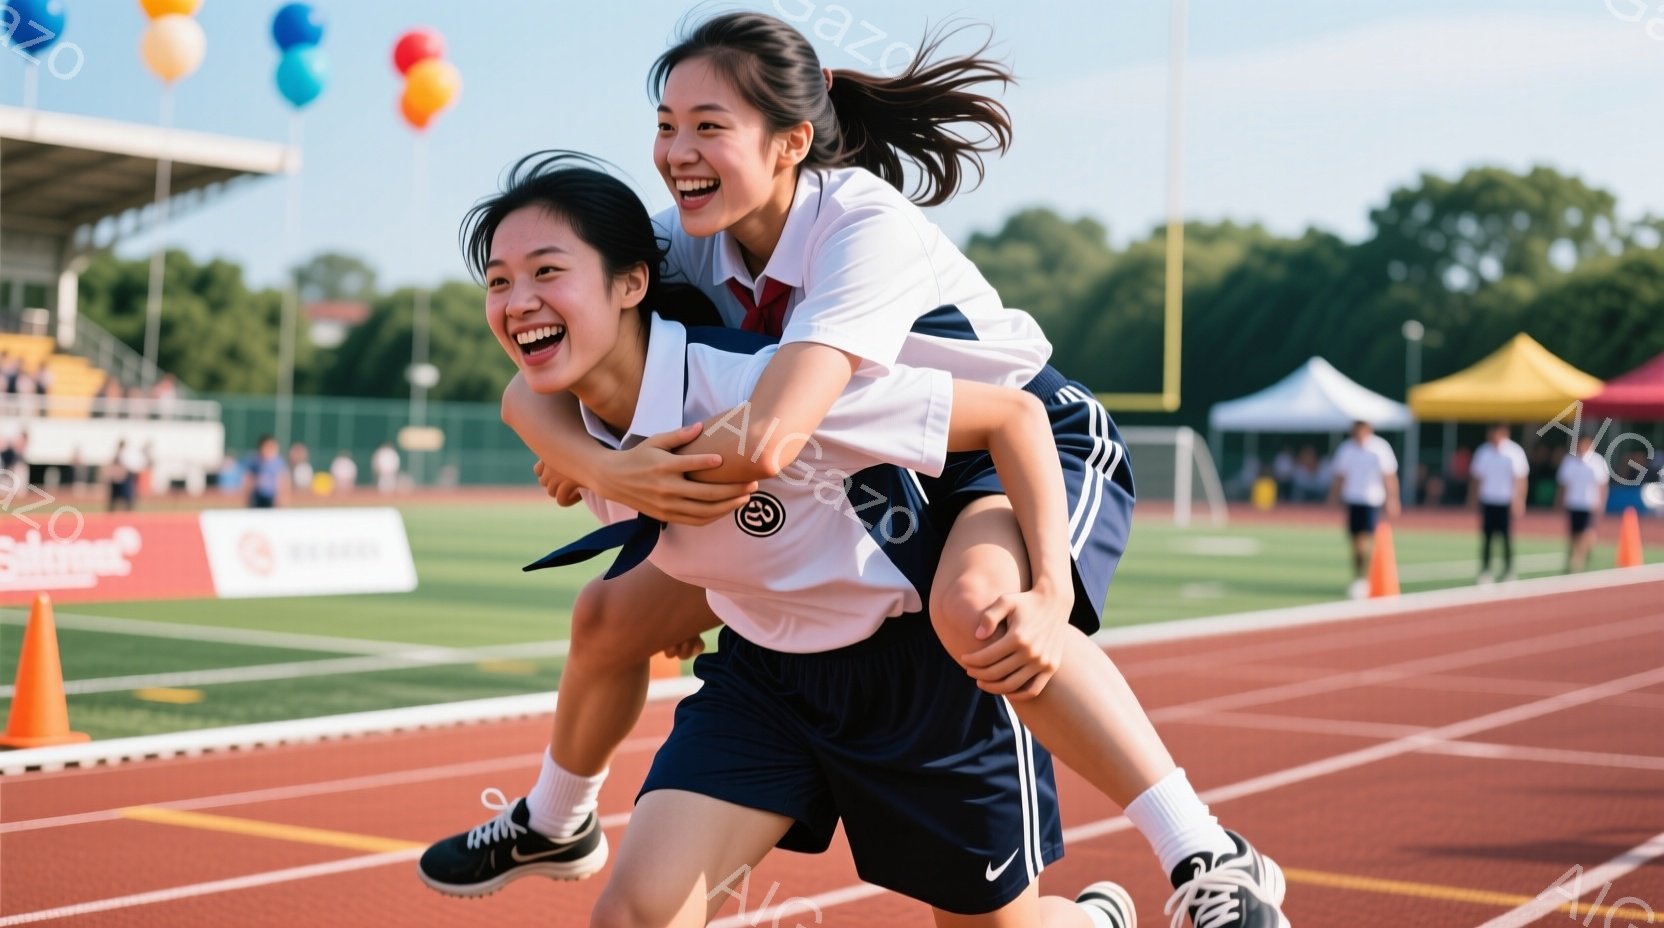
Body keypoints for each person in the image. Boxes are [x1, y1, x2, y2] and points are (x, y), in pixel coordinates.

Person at [431, 142, 1287, 928]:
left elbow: (1012, 416)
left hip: (909, 666)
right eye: (497, 282)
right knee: (631, 912)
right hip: (768, 678)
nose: (518, 301)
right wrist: (608, 479)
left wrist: (1051, 592)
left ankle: (1164, 873)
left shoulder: (772, 377)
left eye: (546, 271)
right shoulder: (570, 413)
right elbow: (531, 404)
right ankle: (555, 818)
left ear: (629, 284)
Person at [1327, 421, 1400, 599]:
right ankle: (1358, 577)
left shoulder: (1379, 448)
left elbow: (1389, 475)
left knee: (1365, 539)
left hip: (1371, 499)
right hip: (1353, 499)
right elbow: (1340, 475)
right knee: (1354, 542)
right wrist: (1333, 495)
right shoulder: (1347, 449)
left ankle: (1364, 579)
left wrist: (1392, 499)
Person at [1468, 423, 1528, 583]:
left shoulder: (1514, 452)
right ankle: (1485, 570)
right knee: (1487, 538)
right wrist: (1473, 498)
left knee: (1506, 537)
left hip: (1506, 501)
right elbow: (1477, 478)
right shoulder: (1483, 451)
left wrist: (1519, 499)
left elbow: (1520, 478)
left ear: (1503, 433)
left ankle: (1509, 570)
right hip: (1488, 500)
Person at [1556, 434, 1609, 573]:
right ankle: (1577, 553)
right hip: (1573, 502)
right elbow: (1563, 483)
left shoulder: (1597, 461)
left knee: (1585, 532)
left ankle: (1577, 560)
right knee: (1574, 533)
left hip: (1589, 503)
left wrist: (1601, 502)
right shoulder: (1569, 460)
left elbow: (1602, 484)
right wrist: (1560, 501)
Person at [244, 435, 286, 509]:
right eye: (267, 447)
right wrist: (247, 499)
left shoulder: (278, 462)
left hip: (271, 498)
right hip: (257, 497)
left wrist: (281, 500)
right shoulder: (254, 461)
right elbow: (249, 480)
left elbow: (282, 482)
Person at [106, 440, 142, 512]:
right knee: (118, 498)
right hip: (120, 478)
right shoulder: (119, 454)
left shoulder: (123, 454)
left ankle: (127, 511)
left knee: (126, 497)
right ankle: (115, 512)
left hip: (123, 477)